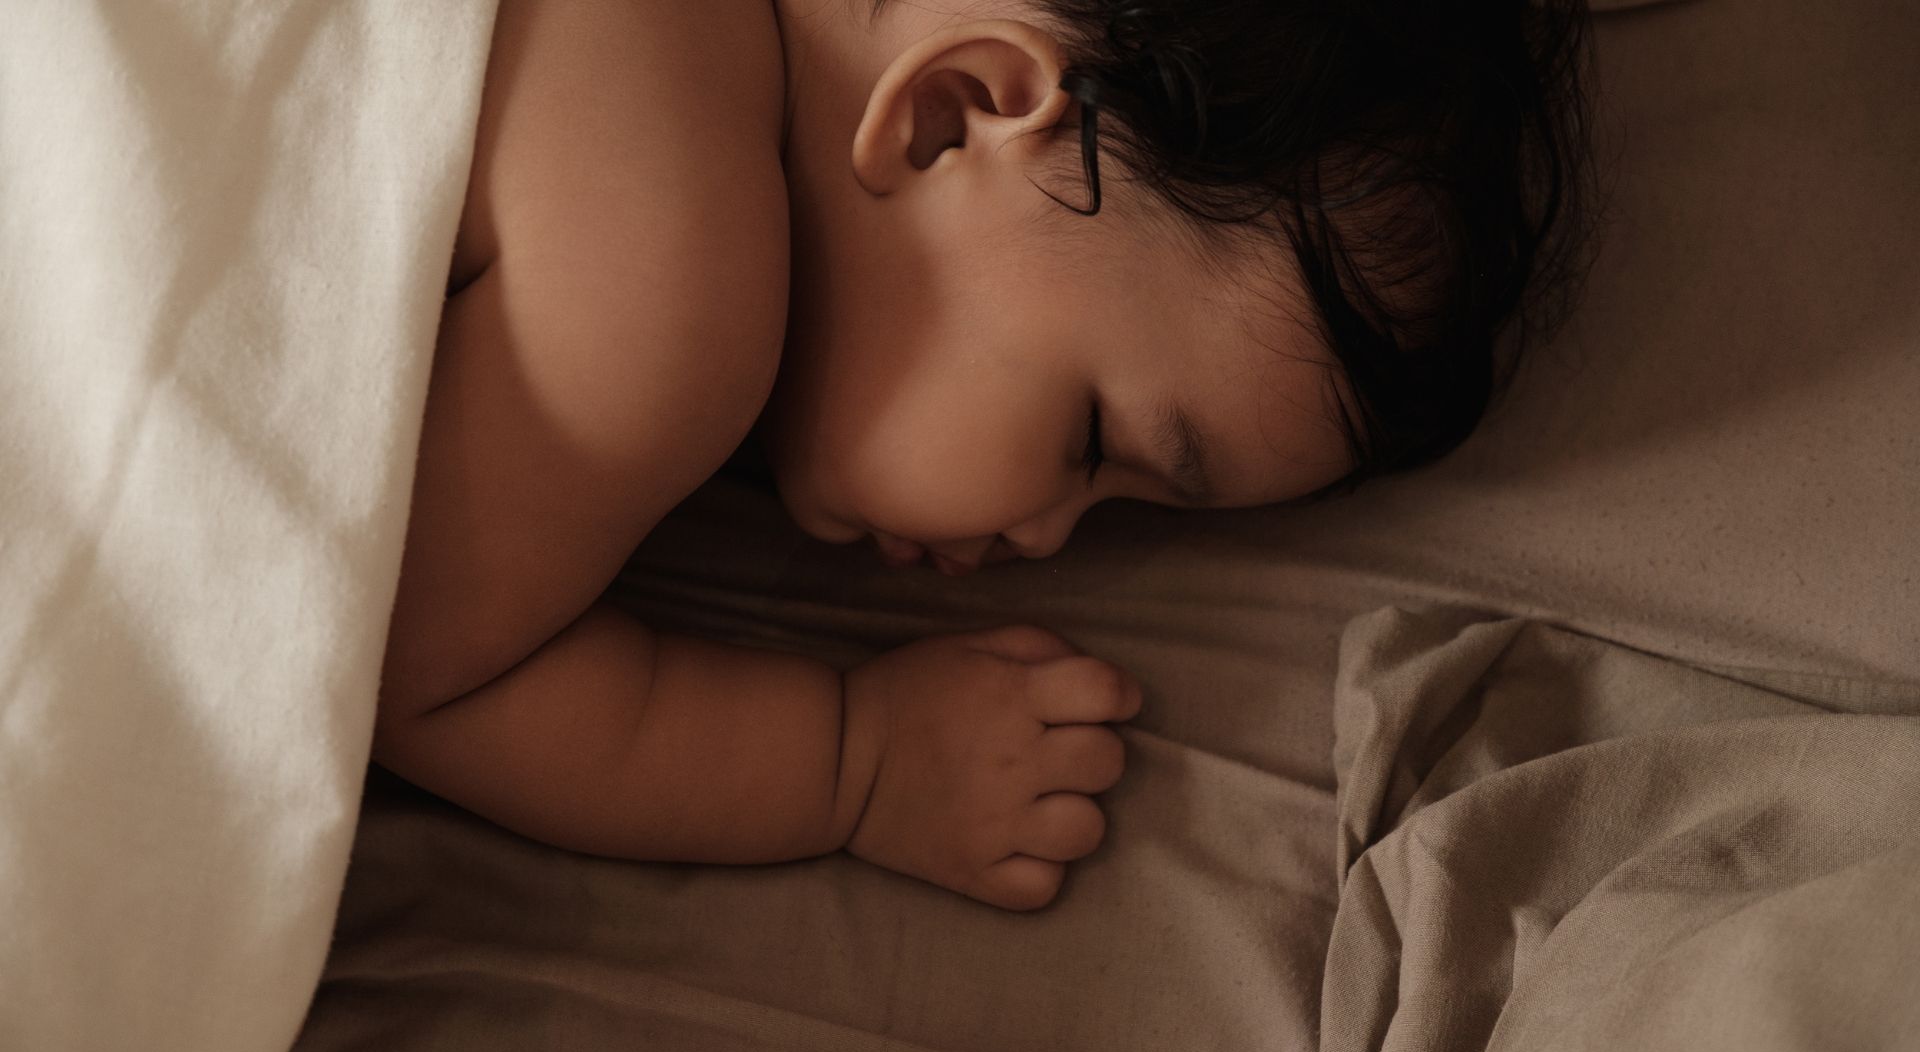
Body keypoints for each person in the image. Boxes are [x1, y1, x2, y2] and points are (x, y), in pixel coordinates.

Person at [373, 0, 1591, 911]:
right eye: (1091, 442)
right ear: (948, 115)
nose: (1049, 539)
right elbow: (410, 666)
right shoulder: (677, 298)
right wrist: (852, 760)